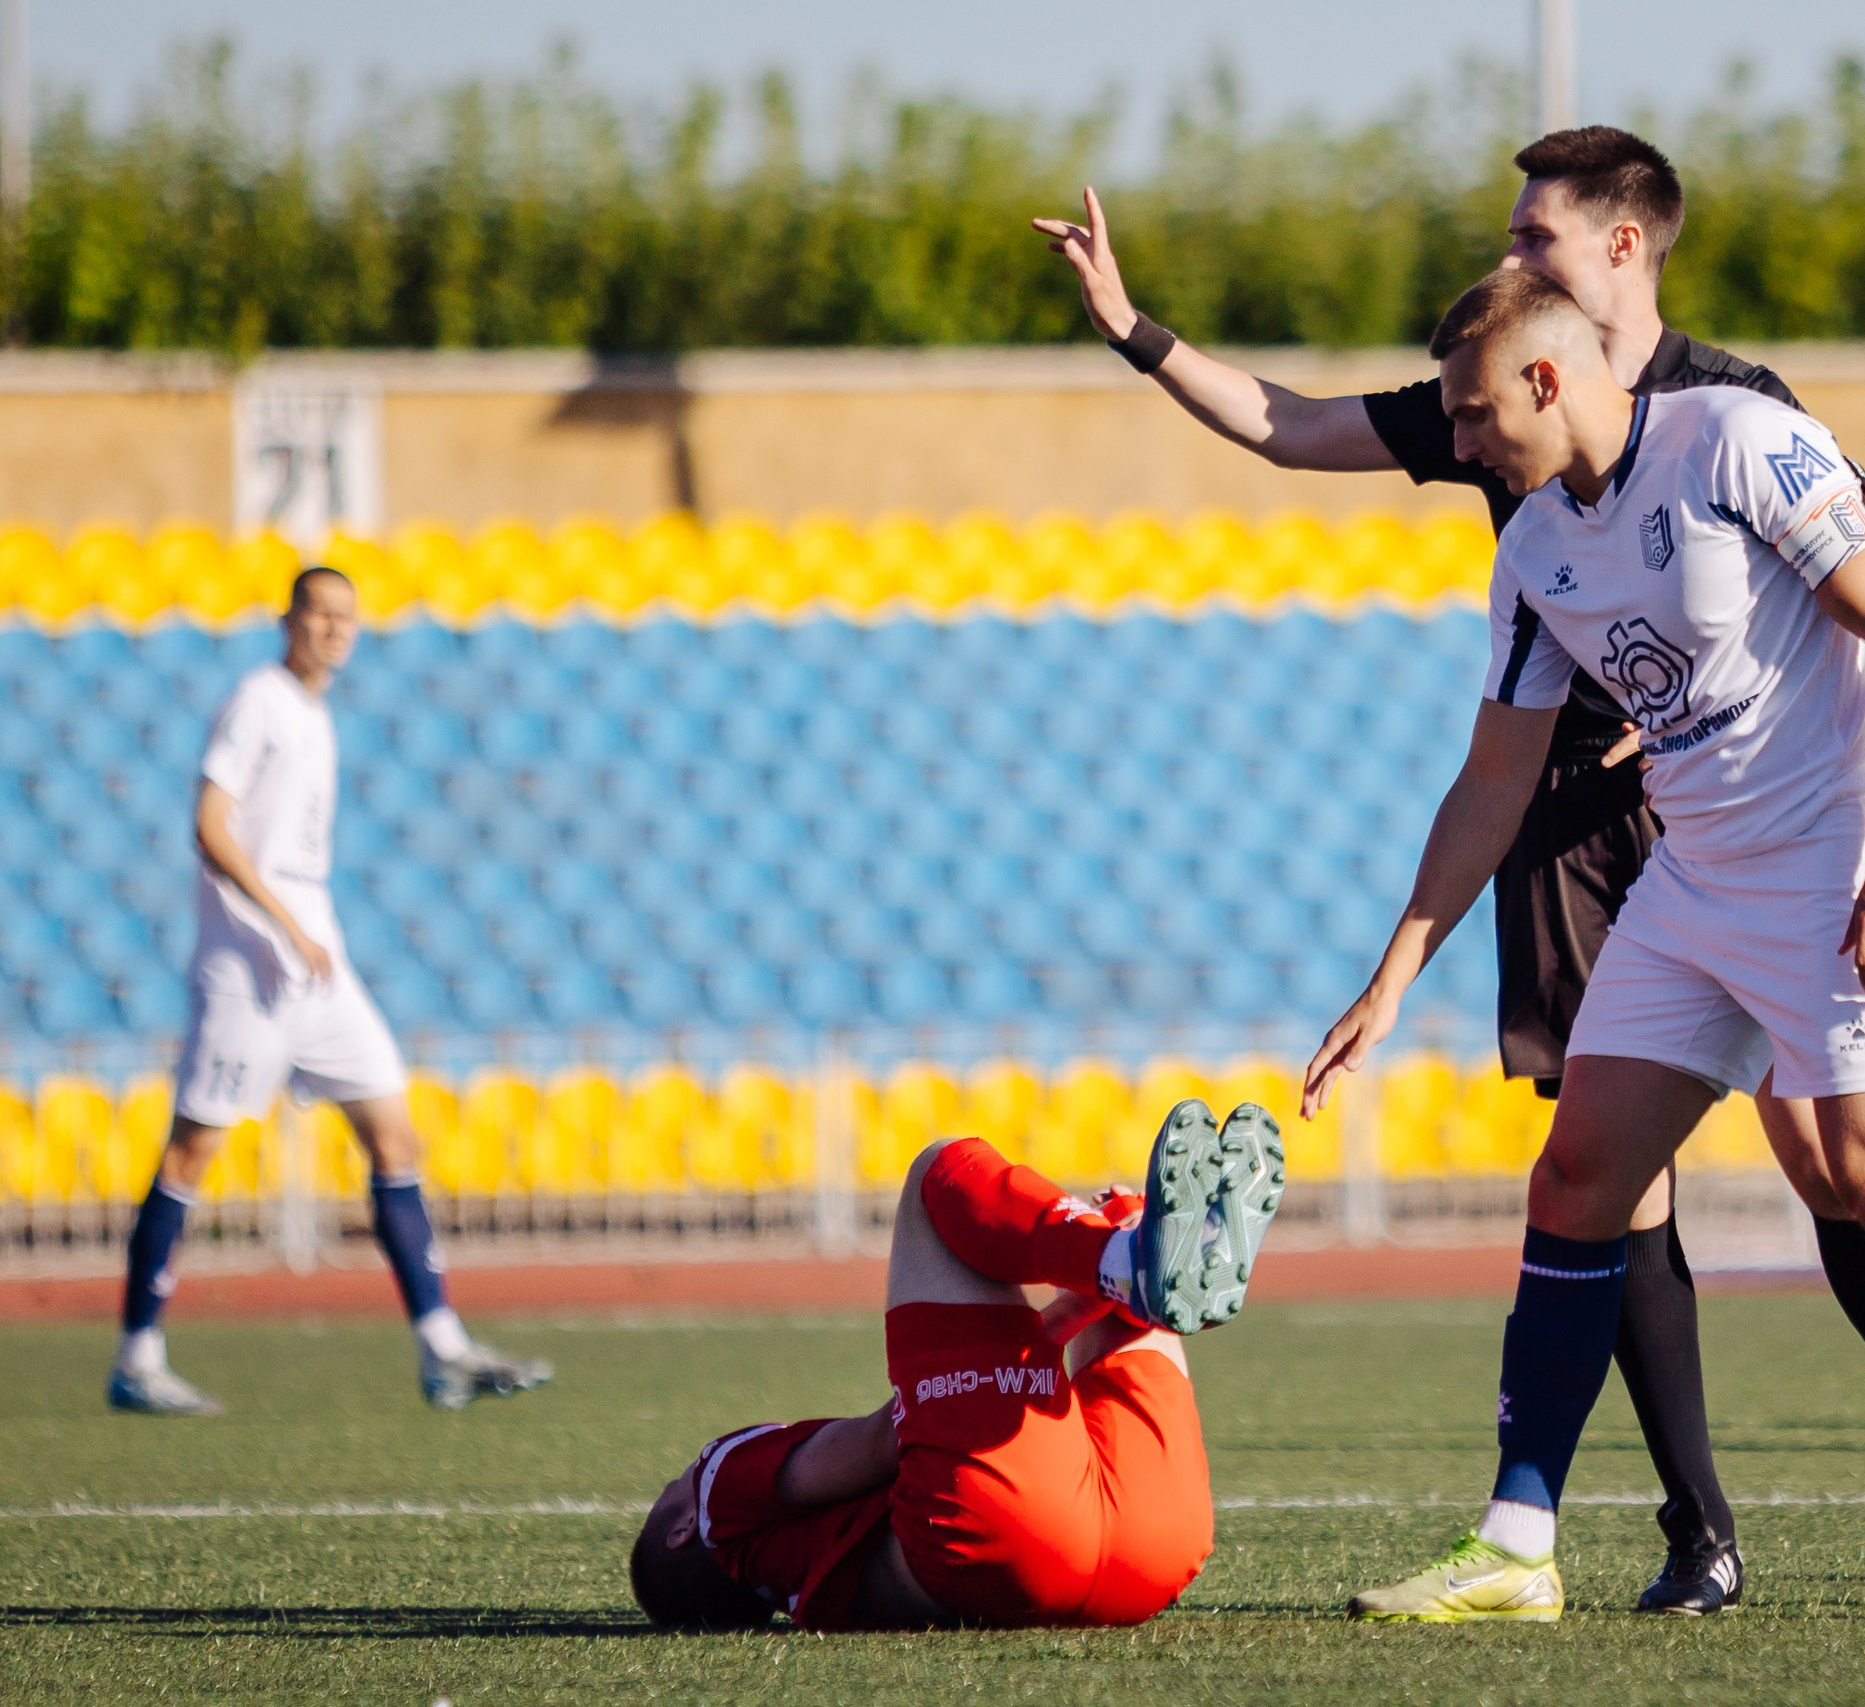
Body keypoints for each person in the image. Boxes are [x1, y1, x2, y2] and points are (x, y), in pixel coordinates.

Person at [1035, 125, 1865, 1608]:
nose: (1509, 256)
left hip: (1733, 812)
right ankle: (1696, 1527)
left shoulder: (1736, 410)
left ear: (1621, 247)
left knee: (1834, 1158)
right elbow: (1286, 425)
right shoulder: (1485, 392)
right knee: (1604, 1182)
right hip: (1564, 826)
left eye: (1534, 237)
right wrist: (1135, 330)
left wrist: (1718, 727)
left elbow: (1852, 603)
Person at [1309, 269, 1865, 1624]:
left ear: (1546, 380)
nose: (1459, 442)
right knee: (1578, 1177)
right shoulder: (1532, 550)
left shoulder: (1736, 439)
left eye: (1473, 413)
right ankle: (1519, 1543)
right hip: (1694, 881)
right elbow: (1493, 781)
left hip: (1834, 860)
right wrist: (1389, 977)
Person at [107, 566, 552, 1416]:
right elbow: (210, 824)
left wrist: (309, 933)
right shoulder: (259, 700)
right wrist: (282, 919)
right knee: (191, 1152)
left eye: (347, 617)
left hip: (317, 964)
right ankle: (137, 1356)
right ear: (289, 619)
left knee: (395, 1134)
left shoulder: (315, 714)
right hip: (251, 965)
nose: (334, 629)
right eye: (320, 613)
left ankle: (442, 1348)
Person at [628, 1100, 1285, 1632]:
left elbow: (969, 1414)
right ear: (683, 1529)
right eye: (669, 1485)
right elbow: (879, 1442)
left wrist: (1054, 1323)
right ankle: (1129, 1256)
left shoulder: (798, 1579)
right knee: (937, 1175)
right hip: (1010, 1529)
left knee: (1124, 1255)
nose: (681, 1476)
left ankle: (1137, 1256)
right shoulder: (716, 1501)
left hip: (1145, 1563)